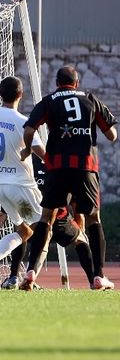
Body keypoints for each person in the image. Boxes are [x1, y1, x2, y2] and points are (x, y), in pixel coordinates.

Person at [20, 66, 117, 291]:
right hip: (85, 167)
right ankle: (99, 277)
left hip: (57, 167)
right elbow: (112, 135)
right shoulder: (91, 99)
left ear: (57, 82)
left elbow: (29, 131)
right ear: (77, 82)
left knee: (46, 218)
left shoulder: (50, 100)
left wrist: (27, 149)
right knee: (93, 219)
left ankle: (32, 271)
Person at [0, 76, 46, 288]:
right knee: (46, 226)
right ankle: (29, 278)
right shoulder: (24, 122)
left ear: (0, 94)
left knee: (24, 231)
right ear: (20, 95)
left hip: (0, 187)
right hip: (23, 186)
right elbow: (41, 153)